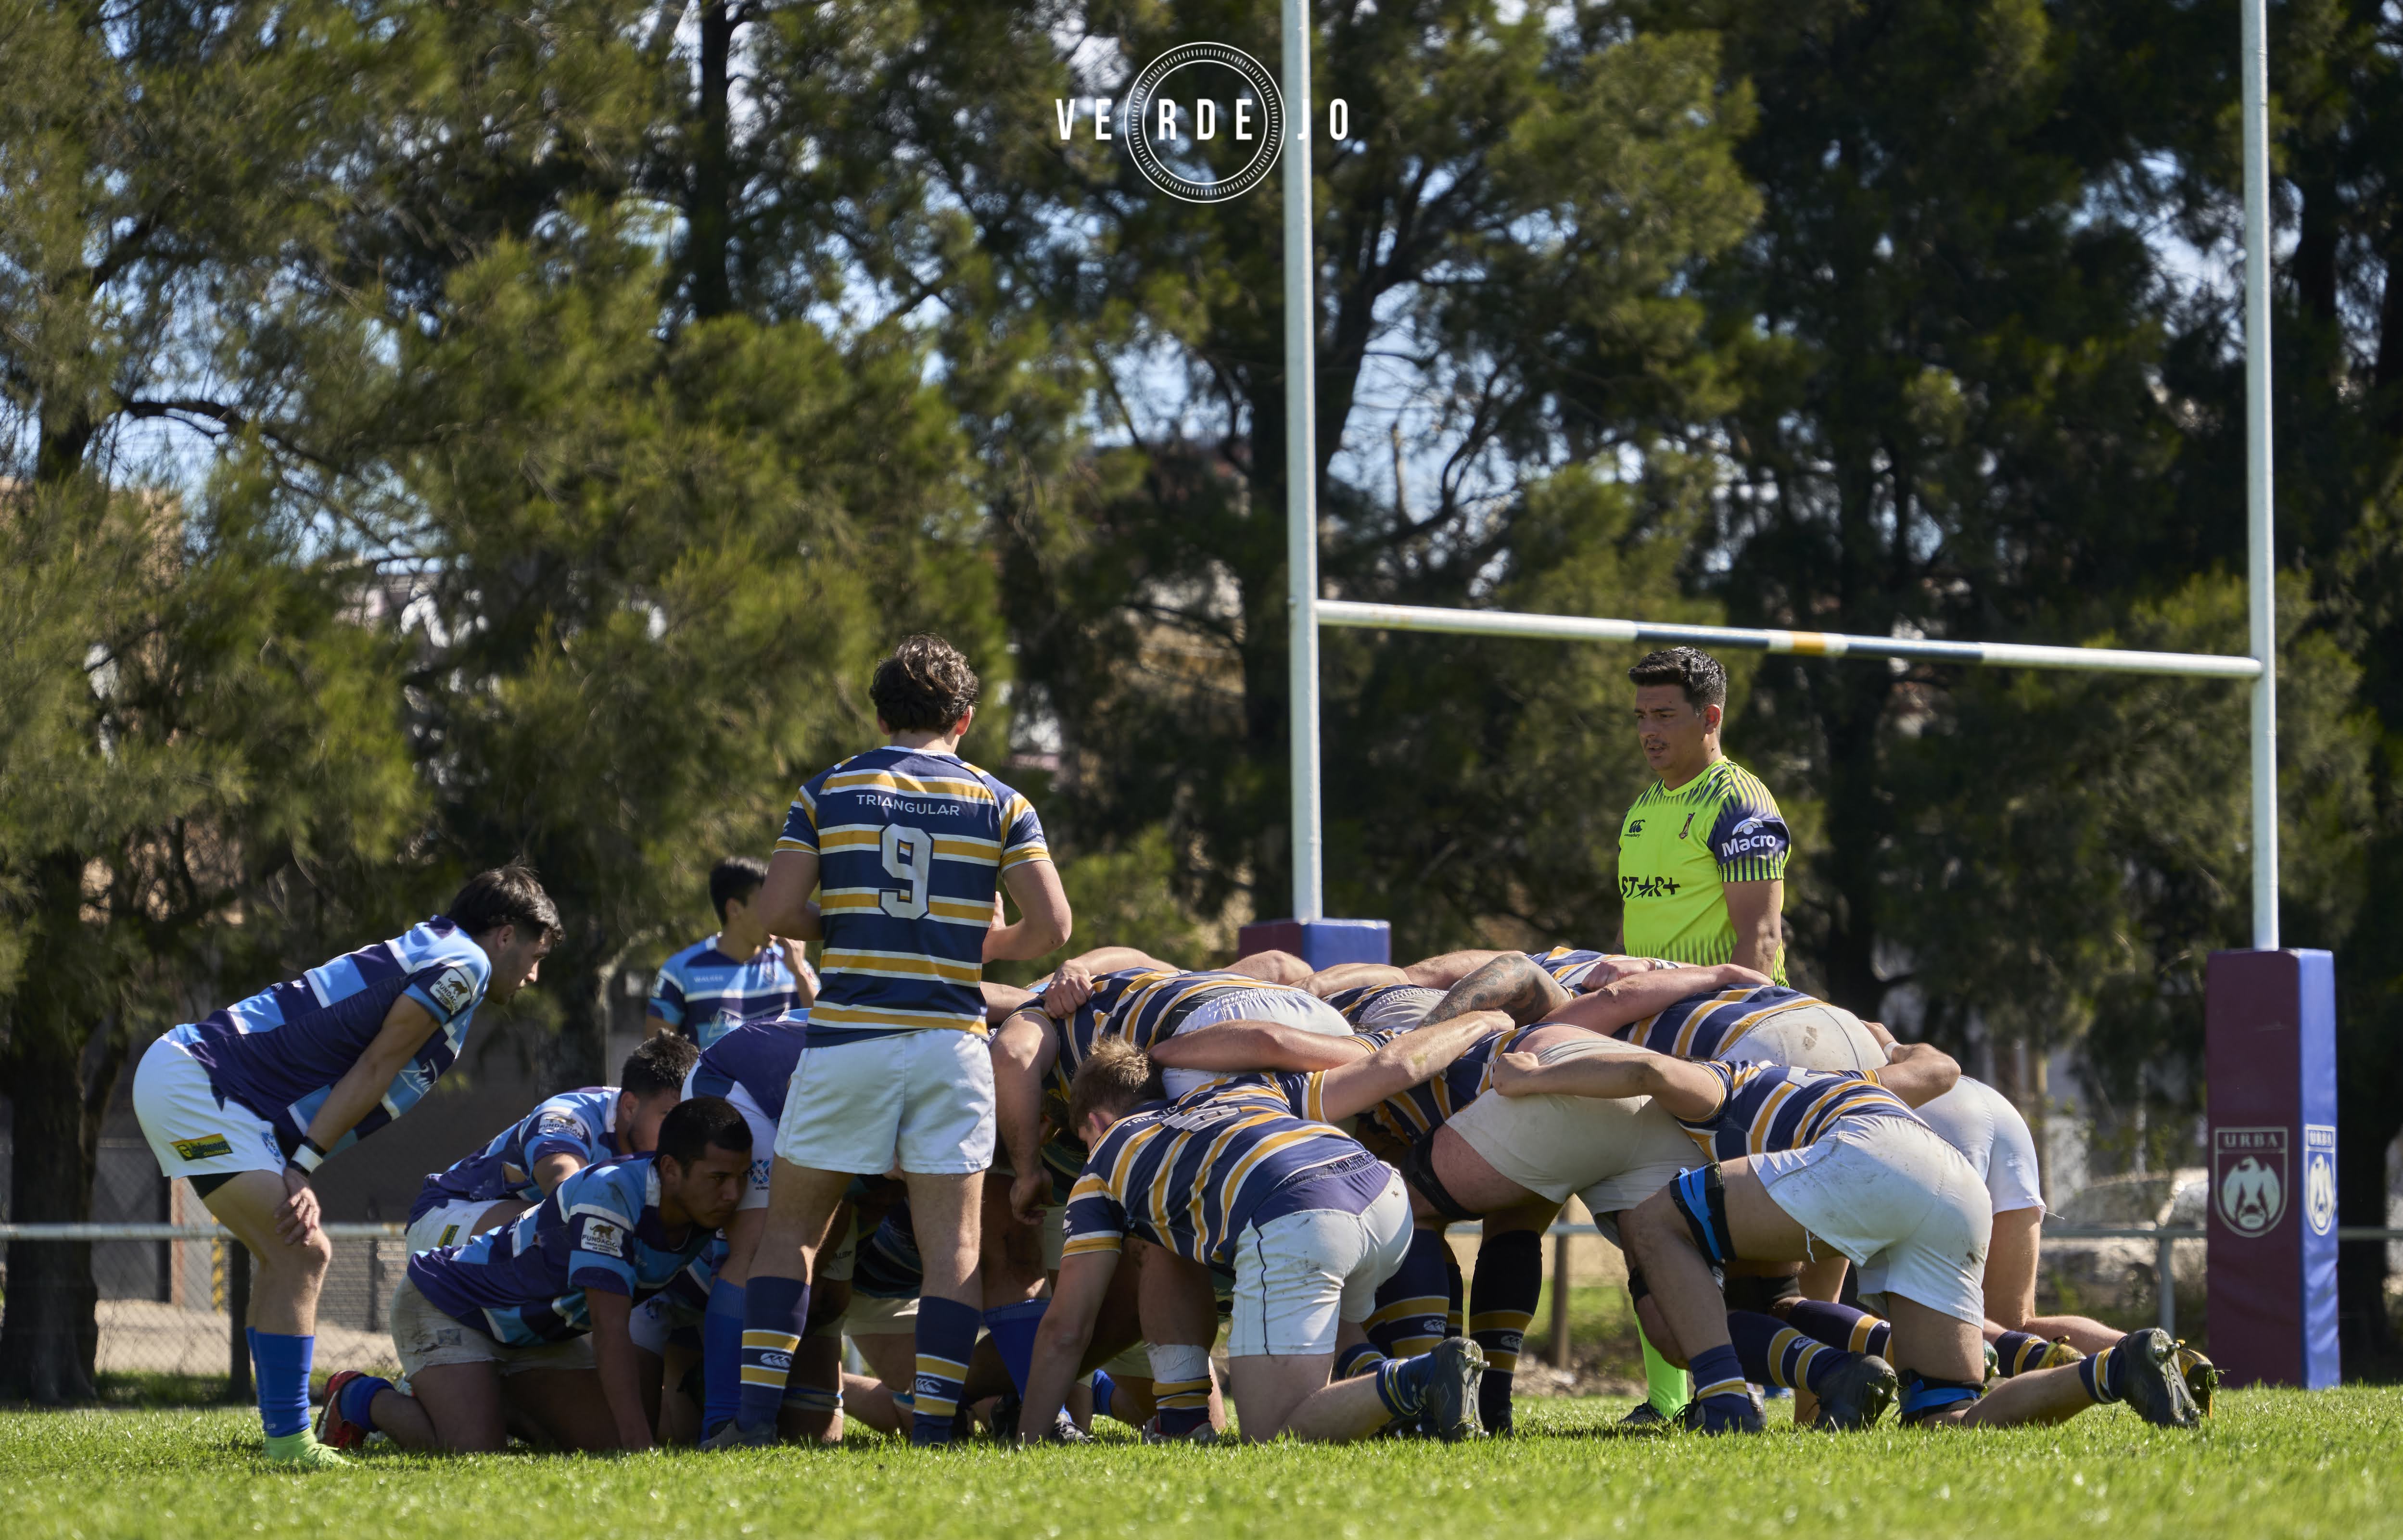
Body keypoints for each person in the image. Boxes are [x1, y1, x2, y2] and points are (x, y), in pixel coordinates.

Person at [714, 634, 1073, 1448]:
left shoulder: (827, 789)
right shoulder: (1003, 800)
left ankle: (754, 1424)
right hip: (949, 1042)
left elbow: (775, 913)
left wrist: (845, 920)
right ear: (967, 718)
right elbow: (1053, 925)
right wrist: (970, 943)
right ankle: (938, 1431)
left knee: (793, 1234)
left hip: (848, 1039)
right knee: (955, 1250)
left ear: (878, 713)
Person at [1494, 1043, 2204, 1432]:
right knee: (1947, 1415)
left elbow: (1645, 1069)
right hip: (1953, 1185)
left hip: (1865, 1161)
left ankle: (1723, 1402)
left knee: (1650, 1220)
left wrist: (1530, 1074)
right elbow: (1933, 1061)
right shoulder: (1841, 1078)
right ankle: (2114, 1368)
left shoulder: (1732, 1076)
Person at [128, 864, 556, 1468]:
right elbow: (378, 1064)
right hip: (206, 1087)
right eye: (537, 954)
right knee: (303, 1251)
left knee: (284, 1255)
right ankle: (289, 1444)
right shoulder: (468, 964)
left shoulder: (439, 946)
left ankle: (283, 1435)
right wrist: (302, 1166)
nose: (536, 974)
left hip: (198, 1083)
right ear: (505, 933)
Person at [1016, 1043, 1486, 1444]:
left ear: (1096, 1122)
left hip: (1302, 1216)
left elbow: (1067, 1329)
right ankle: (1402, 1409)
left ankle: (1423, 1378)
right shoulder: (1237, 1087)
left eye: (1085, 1139)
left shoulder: (1105, 1162)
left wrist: (1029, 1438)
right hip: (1384, 1194)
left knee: (1273, 1429)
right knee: (1338, 1320)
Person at [317, 1097, 752, 1452]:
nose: (734, 1194)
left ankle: (483, 1394)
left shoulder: (705, 1202)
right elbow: (609, 1326)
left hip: (534, 1335)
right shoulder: (613, 1194)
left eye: (741, 1177)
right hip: (451, 1305)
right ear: (672, 1169)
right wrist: (639, 1447)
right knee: (473, 1454)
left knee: (599, 1446)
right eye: (718, 1178)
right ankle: (358, 1396)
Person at [403, 1034, 698, 1252]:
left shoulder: (659, 1136)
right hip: (443, 1218)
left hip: (525, 1230)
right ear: (630, 1107)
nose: (681, 1133)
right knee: (581, 1228)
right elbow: (564, 1188)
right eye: (669, 1116)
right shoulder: (567, 1116)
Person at [1619, 646, 1789, 982]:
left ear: (1710, 719)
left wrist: (1723, 1026)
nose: (1647, 731)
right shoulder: (1641, 807)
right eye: (1641, 716)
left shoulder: (1739, 804)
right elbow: (1629, 931)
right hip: (1647, 1011)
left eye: (1664, 716)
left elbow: (1760, 940)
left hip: (1715, 1016)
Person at [648, 855, 817, 1048]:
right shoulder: (680, 972)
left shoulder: (793, 965)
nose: (776, 914)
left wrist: (800, 973)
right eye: (767, 905)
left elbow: (829, 1032)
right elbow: (657, 1061)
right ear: (735, 909)